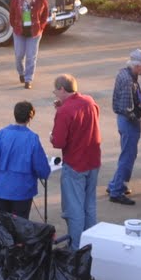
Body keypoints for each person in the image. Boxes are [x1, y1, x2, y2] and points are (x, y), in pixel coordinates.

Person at [51, 74, 103, 251]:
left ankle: (75, 248)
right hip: (93, 160)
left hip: (75, 163)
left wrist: (52, 136)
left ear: (62, 89)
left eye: (56, 91)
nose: (55, 95)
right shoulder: (89, 101)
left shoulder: (64, 112)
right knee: (89, 204)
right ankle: (90, 245)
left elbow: (58, 142)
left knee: (74, 208)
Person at [0, 101, 52, 221]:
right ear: (30, 118)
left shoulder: (1, 134)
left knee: (1, 226)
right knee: (20, 227)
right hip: (22, 190)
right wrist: (44, 173)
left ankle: (2, 240)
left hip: (1, 188)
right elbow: (41, 166)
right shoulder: (32, 138)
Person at [107, 49, 141, 206]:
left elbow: (130, 100)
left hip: (123, 121)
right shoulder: (128, 80)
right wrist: (137, 116)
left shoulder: (125, 74)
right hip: (128, 123)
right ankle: (116, 191)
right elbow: (127, 107)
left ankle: (116, 184)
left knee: (127, 154)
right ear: (137, 65)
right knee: (128, 156)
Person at [9, 0, 50, 89]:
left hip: (34, 32)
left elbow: (45, 13)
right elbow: (11, 12)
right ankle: (21, 73)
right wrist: (14, 25)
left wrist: (41, 26)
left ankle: (28, 79)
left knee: (31, 56)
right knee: (19, 55)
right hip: (19, 30)